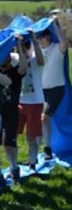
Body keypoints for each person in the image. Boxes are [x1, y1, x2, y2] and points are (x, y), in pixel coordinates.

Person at [0, 36, 27, 181]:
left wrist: (19, 45)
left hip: (11, 113)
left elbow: (24, 65)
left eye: (6, 56)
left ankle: (14, 167)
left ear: (9, 58)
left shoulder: (15, 72)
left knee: (9, 144)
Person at [38, 17, 68, 160]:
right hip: (40, 91)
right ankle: (34, 153)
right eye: (39, 37)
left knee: (44, 117)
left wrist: (55, 24)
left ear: (49, 36)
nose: (41, 40)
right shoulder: (36, 51)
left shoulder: (57, 48)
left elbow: (64, 42)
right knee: (38, 120)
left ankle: (47, 149)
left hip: (56, 90)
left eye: (43, 36)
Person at [18, 29, 44, 170]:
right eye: (22, 48)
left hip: (34, 103)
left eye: (26, 46)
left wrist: (35, 40)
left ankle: (32, 163)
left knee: (31, 136)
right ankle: (16, 164)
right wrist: (18, 44)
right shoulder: (18, 60)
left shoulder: (35, 59)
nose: (25, 50)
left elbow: (40, 60)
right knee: (13, 134)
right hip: (20, 103)